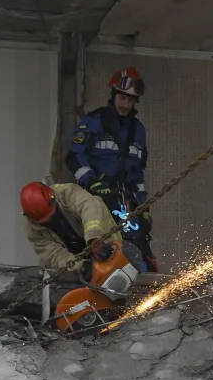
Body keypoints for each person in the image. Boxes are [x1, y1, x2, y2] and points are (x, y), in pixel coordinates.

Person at [65, 67, 157, 270]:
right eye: (122, 98)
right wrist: (91, 182)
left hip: (126, 201)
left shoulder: (138, 131)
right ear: (114, 95)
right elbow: (74, 157)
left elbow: (137, 173)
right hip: (97, 198)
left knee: (139, 251)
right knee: (100, 248)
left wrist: (144, 206)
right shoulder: (94, 121)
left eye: (131, 100)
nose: (126, 104)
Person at [20, 181, 119, 271]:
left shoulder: (67, 192)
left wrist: (94, 239)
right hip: (75, 252)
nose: (50, 221)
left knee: (115, 256)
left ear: (53, 199)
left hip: (97, 235)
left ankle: (119, 254)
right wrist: (81, 267)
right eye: (45, 221)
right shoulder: (32, 231)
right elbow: (55, 256)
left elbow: (89, 208)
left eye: (52, 216)